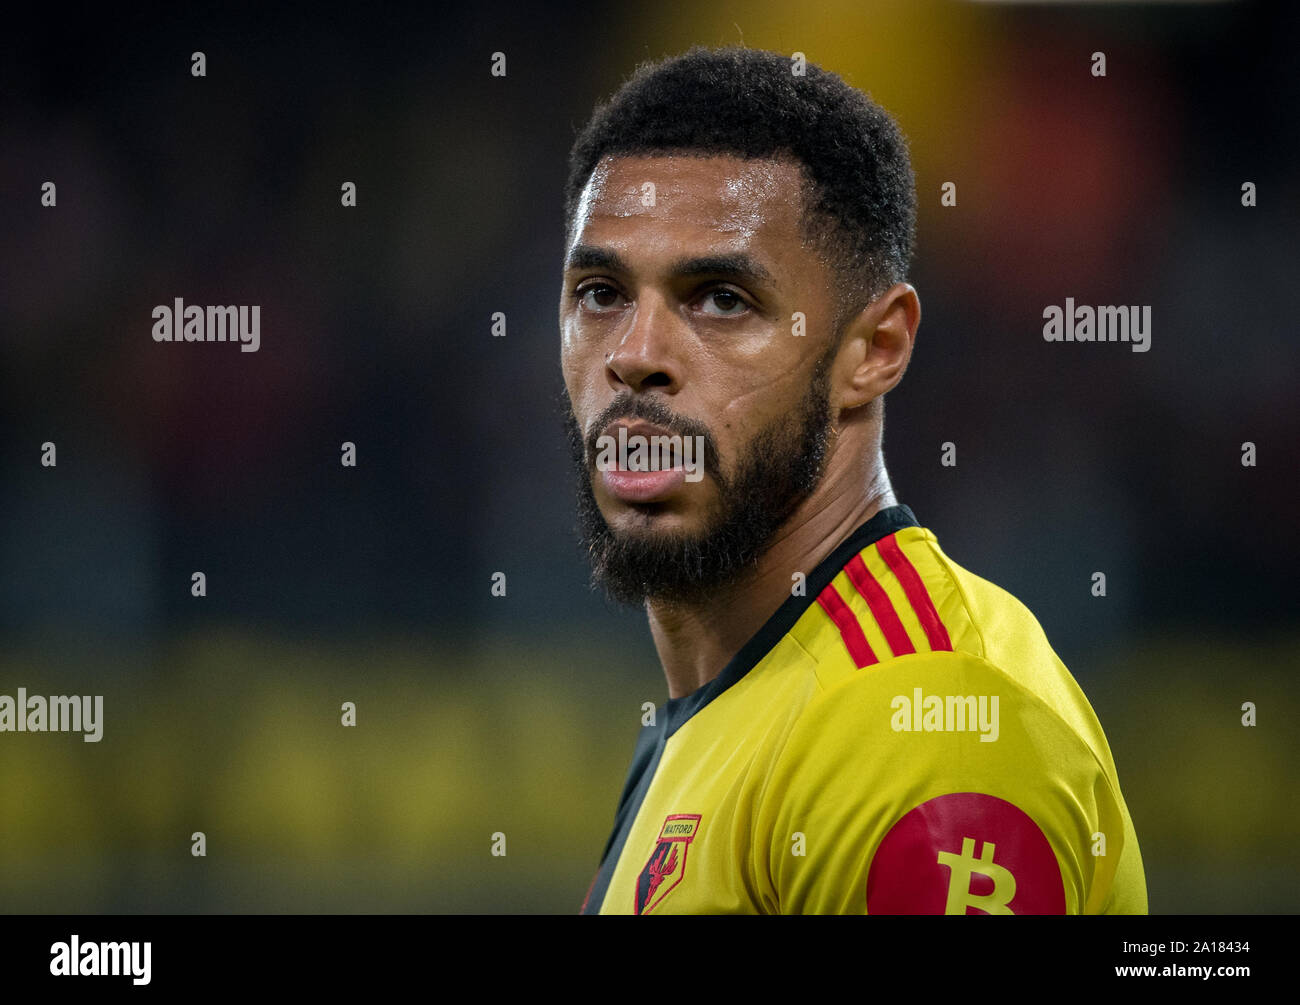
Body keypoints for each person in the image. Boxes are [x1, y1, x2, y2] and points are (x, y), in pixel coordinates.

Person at [559, 46, 1146, 915]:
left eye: (721, 298)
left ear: (875, 350)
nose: (635, 357)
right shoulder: (730, 709)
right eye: (601, 292)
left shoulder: (921, 723)